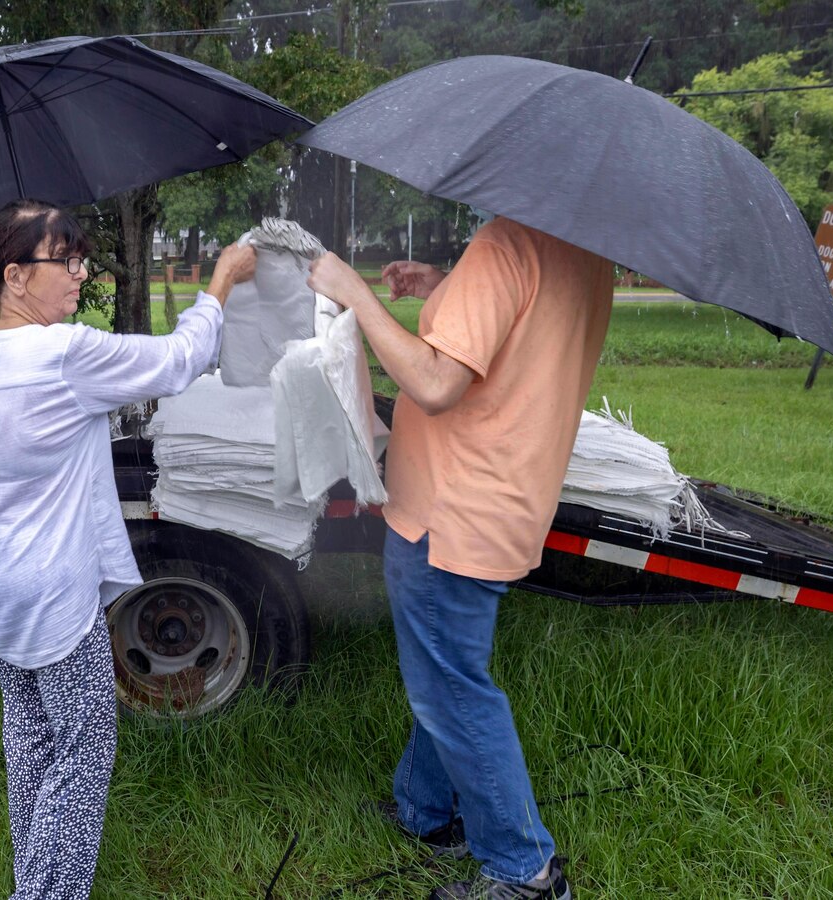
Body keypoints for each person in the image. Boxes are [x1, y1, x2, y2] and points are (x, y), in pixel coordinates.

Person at [0, 198, 255, 900]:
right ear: (18, 276)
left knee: (30, 735)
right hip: (49, 588)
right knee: (83, 754)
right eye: (70, 260)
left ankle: (34, 874)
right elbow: (179, 361)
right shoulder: (62, 355)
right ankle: (49, 894)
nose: (82, 273)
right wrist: (222, 283)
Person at [308, 215, 613, 900]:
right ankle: (425, 810)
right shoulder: (584, 246)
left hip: (452, 510)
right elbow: (527, 328)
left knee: (452, 688)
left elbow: (438, 383)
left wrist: (356, 293)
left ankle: (523, 869)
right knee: (442, 669)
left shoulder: (508, 239)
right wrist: (446, 288)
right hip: (503, 496)